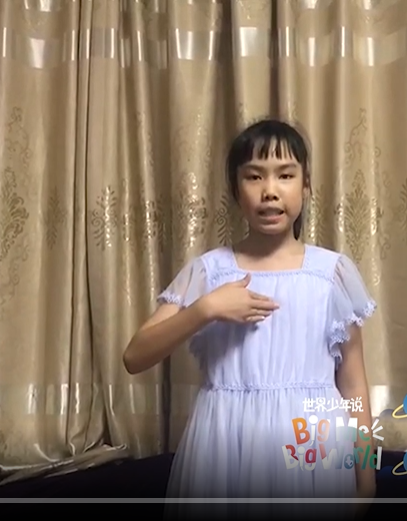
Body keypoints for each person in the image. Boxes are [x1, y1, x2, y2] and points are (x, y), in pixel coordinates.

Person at [123, 119, 377, 520]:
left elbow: (353, 383)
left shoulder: (332, 273)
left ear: (306, 186)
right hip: (224, 449)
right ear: (235, 190)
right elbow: (134, 357)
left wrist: (367, 476)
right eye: (254, 176)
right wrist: (205, 309)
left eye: (285, 175)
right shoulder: (210, 271)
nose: (270, 190)